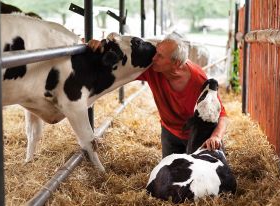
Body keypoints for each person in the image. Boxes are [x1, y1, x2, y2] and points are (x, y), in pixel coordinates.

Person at [88, 34, 227, 158]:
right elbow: (120, 61)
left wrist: (216, 137)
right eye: (156, 52)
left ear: (176, 63)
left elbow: (222, 114)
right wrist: (101, 47)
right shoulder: (152, 69)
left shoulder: (198, 80)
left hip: (196, 134)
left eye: (160, 56)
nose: (153, 58)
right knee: (171, 174)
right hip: (169, 131)